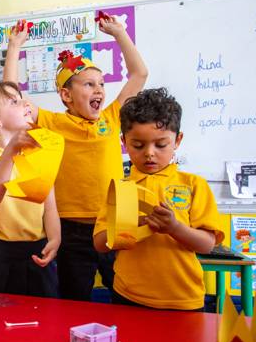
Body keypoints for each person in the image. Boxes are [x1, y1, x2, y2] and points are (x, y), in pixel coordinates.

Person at [3, 13, 149, 301]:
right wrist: (15, 46)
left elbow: (139, 74)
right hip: (71, 230)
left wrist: (120, 34)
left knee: (127, 295)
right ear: (66, 95)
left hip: (117, 221)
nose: (99, 90)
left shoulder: (112, 117)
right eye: (89, 85)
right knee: (74, 298)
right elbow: (10, 97)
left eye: (101, 84)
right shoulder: (51, 122)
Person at [93, 88, 224, 310]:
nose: (149, 153)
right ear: (124, 141)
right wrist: (131, 224)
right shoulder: (123, 187)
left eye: (161, 145)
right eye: (138, 145)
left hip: (183, 299)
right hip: (128, 295)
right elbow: (100, 244)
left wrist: (173, 227)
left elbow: (207, 244)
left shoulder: (193, 185)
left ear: (177, 140)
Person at [0, 81, 60, 297]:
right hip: (1, 256)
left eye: (21, 98)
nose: (25, 103)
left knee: (42, 319)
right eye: (14, 101)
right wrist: (11, 150)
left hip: (37, 251)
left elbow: (50, 206)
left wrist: (55, 238)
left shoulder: (39, 155)